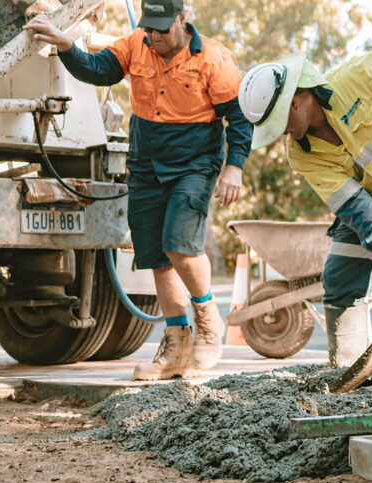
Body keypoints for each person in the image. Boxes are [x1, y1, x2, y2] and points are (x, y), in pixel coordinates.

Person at [24, 0, 251, 380]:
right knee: (156, 256)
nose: (154, 35)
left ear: (183, 19)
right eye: (149, 27)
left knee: (180, 243)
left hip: (194, 163)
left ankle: (208, 319)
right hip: (146, 163)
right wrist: (66, 44)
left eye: (162, 28)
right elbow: (99, 71)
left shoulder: (214, 58)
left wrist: (235, 168)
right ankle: (176, 345)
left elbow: (239, 118)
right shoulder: (135, 43)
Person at [237, 46, 372, 386]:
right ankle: (352, 378)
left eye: (279, 124)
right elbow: (354, 205)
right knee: (340, 280)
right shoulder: (300, 154)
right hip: (371, 196)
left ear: (296, 101)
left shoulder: (356, 78)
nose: (282, 134)